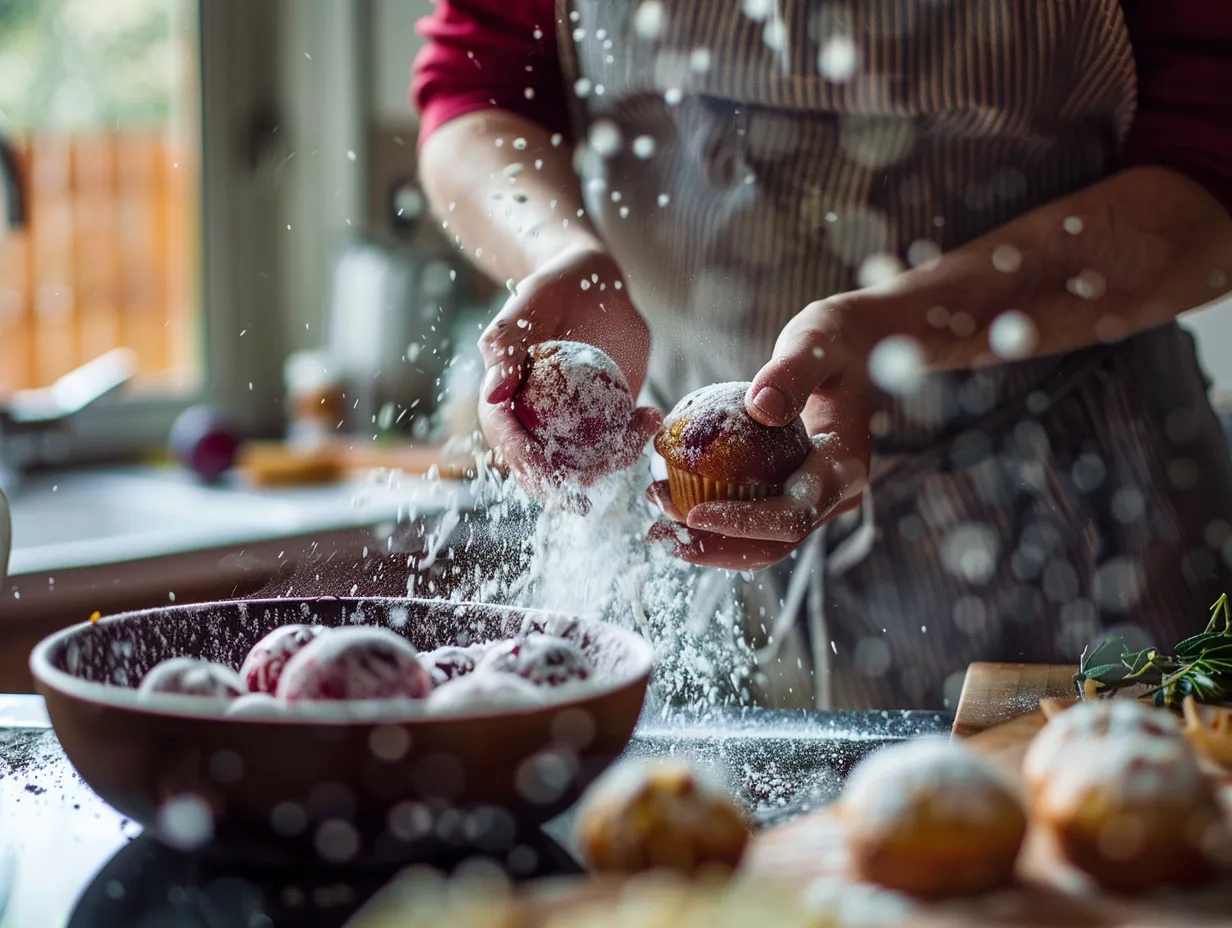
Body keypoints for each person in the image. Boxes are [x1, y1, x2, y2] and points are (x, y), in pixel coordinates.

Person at [411, 1, 1232, 709]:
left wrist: (908, 321)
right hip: (679, 515)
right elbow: (475, 86)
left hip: (1074, 512)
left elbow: (1208, 169)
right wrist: (557, 250)